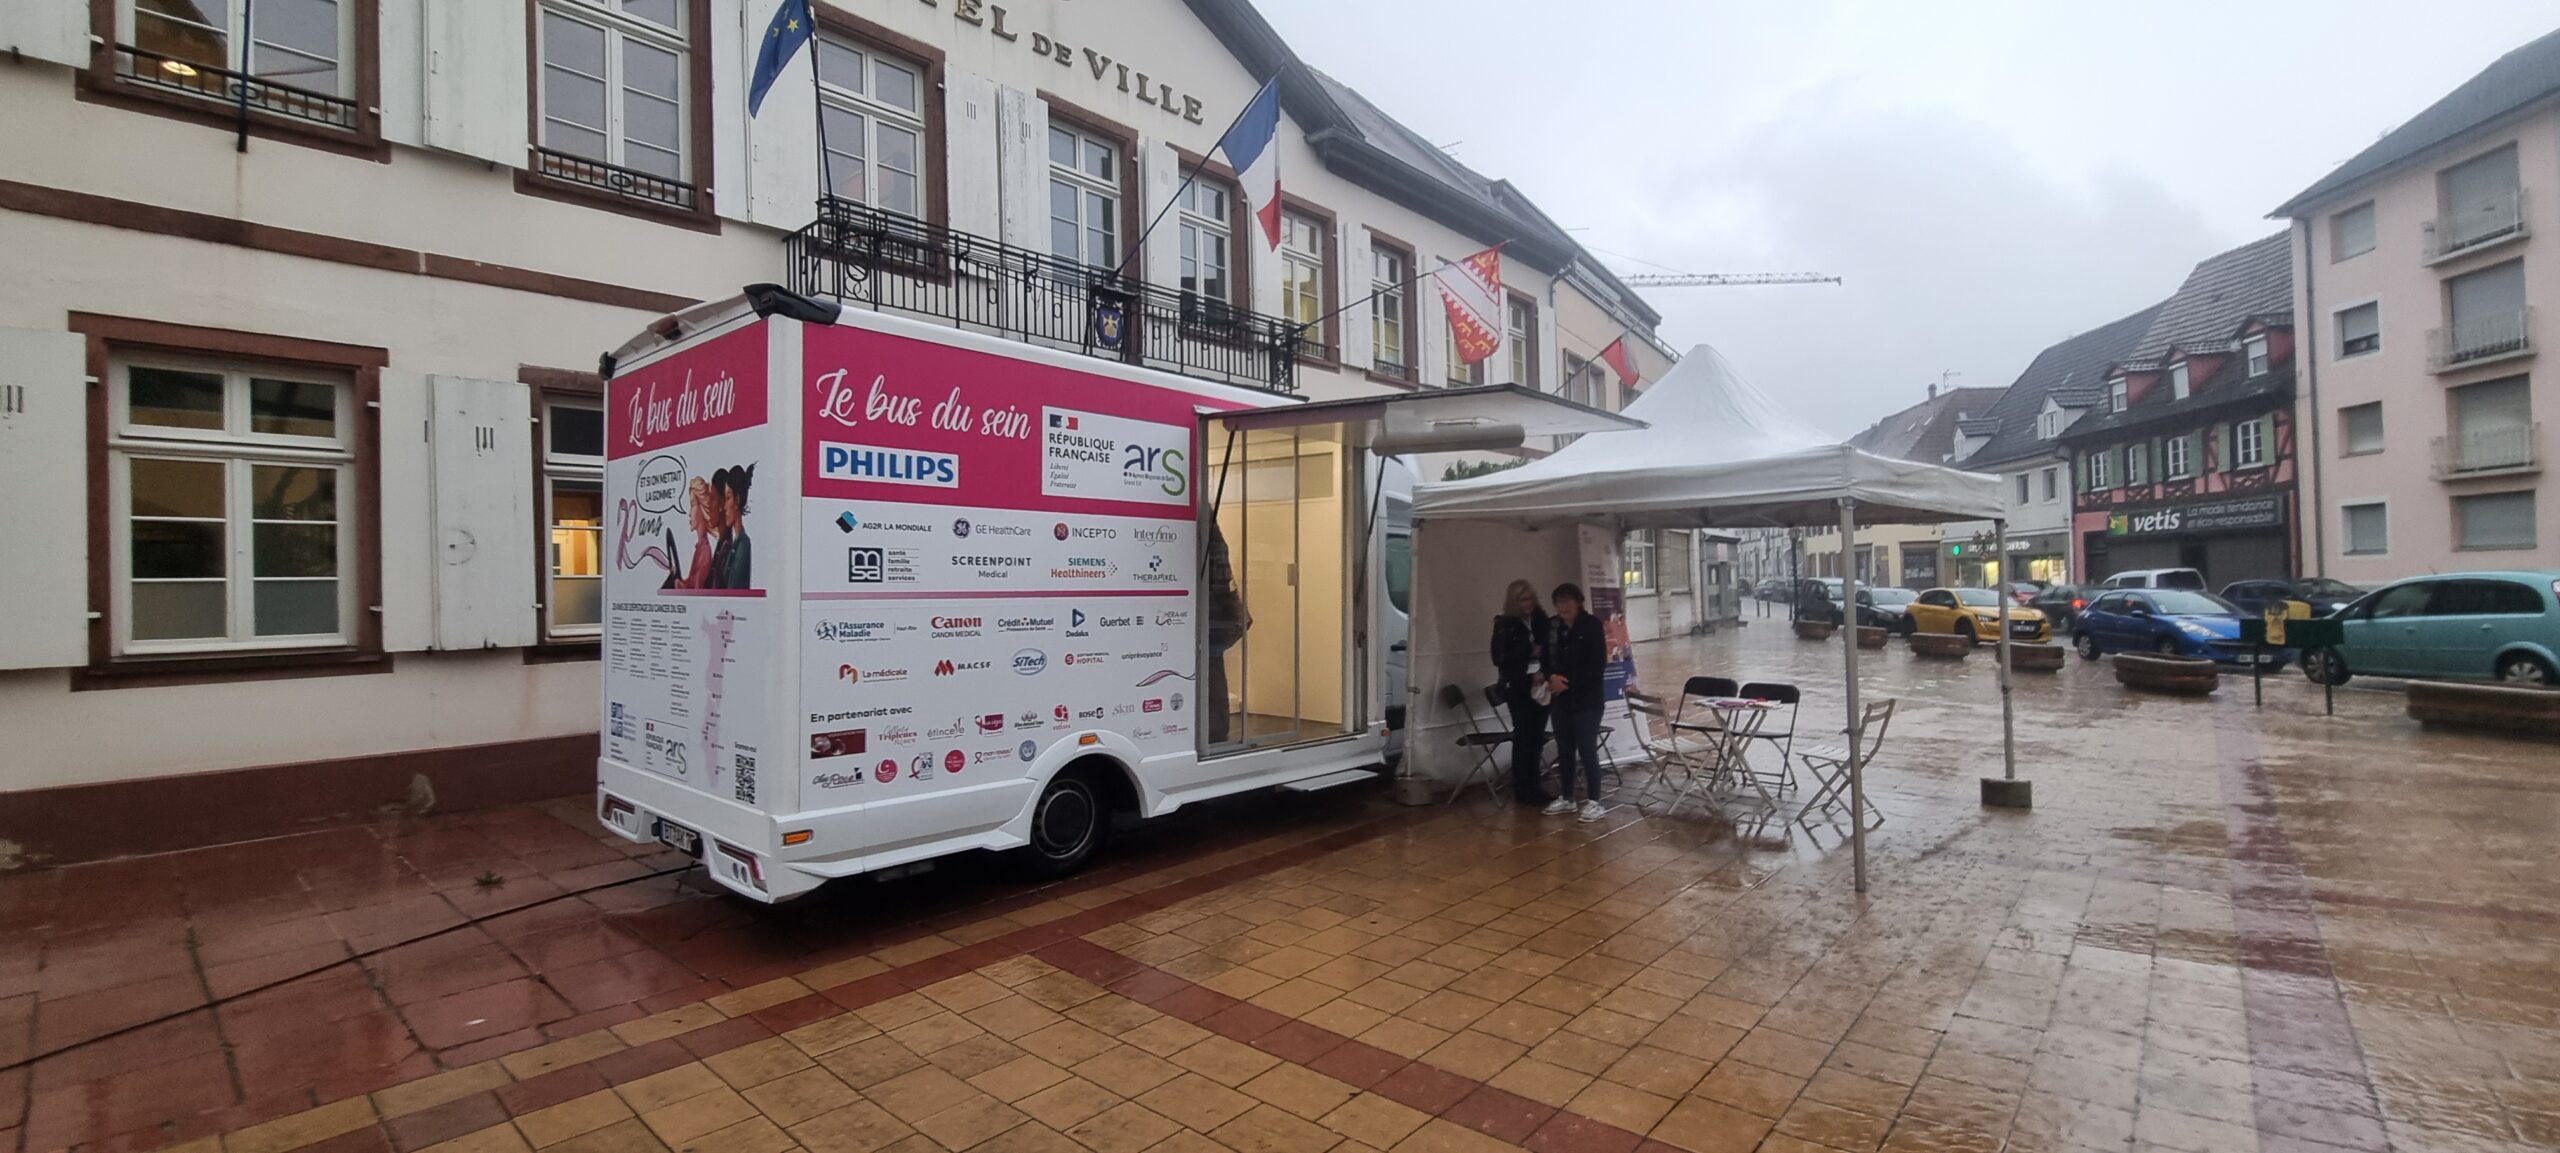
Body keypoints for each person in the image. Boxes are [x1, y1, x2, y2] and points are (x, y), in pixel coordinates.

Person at [1542, 582, 1608, 822]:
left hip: (1587, 699)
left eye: (1568, 601)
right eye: (1559, 602)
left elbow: (1597, 665)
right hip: (1560, 699)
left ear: (1578, 602)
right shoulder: (1553, 626)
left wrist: (1567, 683)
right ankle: (1567, 797)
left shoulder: (1591, 626)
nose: (1563, 606)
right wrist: (1551, 676)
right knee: (1564, 748)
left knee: (1587, 748)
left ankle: (1594, 801)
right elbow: (1545, 659)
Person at [1489, 580, 1551, 807]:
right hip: (1518, 686)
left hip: (1541, 684)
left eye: (1531, 598)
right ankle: (1522, 786)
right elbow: (1499, 658)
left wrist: (1544, 670)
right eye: (1523, 600)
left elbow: (1550, 650)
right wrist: (1528, 650)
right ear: (1514, 602)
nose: (1528, 604)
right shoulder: (1505, 624)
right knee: (1523, 735)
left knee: (1537, 737)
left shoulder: (1542, 619)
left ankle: (1535, 783)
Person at [1202, 521, 1249, 744]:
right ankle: (1215, 729)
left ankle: (1213, 730)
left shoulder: (1204, 522)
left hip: (1211, 616)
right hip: (1217, 614)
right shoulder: (1209, 525)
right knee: (1213, 670)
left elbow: (1219, 566)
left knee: (1210, 671)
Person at [710, 465, 754, 590]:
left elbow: (735, 589)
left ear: (737, 500)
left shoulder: (743, 544)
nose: (724, 507)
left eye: (728, 498)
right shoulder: (734, 544)